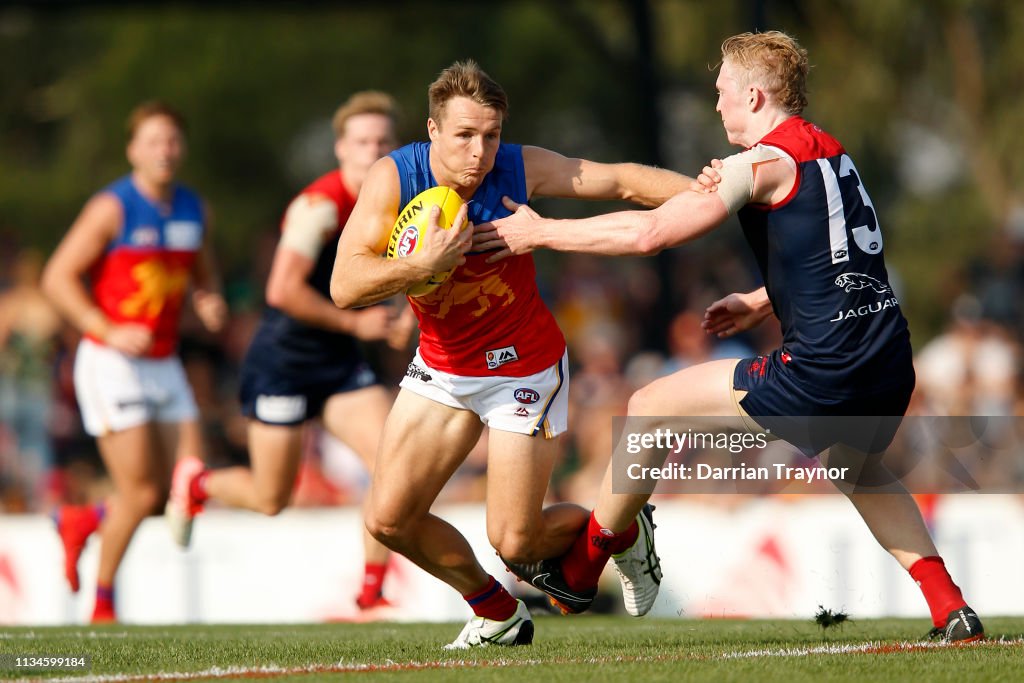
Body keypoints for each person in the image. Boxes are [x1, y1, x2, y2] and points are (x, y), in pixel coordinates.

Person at [477, 31, 984, 643]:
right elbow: (850, 255)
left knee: (648, 407)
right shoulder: (832, 152)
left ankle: (584, 566)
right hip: (889, 360)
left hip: (825, 368)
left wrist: (542, 233)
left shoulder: (758, 164)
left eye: (720, 93)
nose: (715, 105)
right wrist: (762, 299)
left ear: (752, 95)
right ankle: (949, 605)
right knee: (858, 467)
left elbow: (651, 234)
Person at [330, 60, 695, 648]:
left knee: (516, 543)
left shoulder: (516, 169)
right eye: (465, 135)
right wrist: (422, 267)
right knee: (388, 520)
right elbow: (345, 286)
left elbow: (621, 179)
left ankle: (625, 531)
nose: (480, 152)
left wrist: (722, 193)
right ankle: (498, 613)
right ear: (432, 130)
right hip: (443, 368)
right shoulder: (394, 178)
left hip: (521, 367)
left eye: (491, 135)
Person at [164, 91, 414, 612]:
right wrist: (357, 322)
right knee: (270, 499)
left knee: (391, 460)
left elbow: (417, 267)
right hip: (285, 360)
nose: (373, 149)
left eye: (383, 140)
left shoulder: (403, 201)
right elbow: (280, 290)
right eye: (362, 140)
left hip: (341, 364)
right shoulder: (319, 207)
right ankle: (199, 483)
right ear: (341, 148)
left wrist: (407, 314)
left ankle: (371, 591)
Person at [41, 101, 227, 623]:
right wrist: (106, 329)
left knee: (188, 480)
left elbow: (204, 277)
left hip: (164, 362)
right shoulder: (113, 208)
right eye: (153, 141)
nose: (164, 151)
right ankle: (101, 605)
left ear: (181, 148)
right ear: (133, 150)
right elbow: (56, 277)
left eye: (171, 141)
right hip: (110, 362)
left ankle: (86, 520)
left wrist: (209, 301)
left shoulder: (195, 209)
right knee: (143, 492)